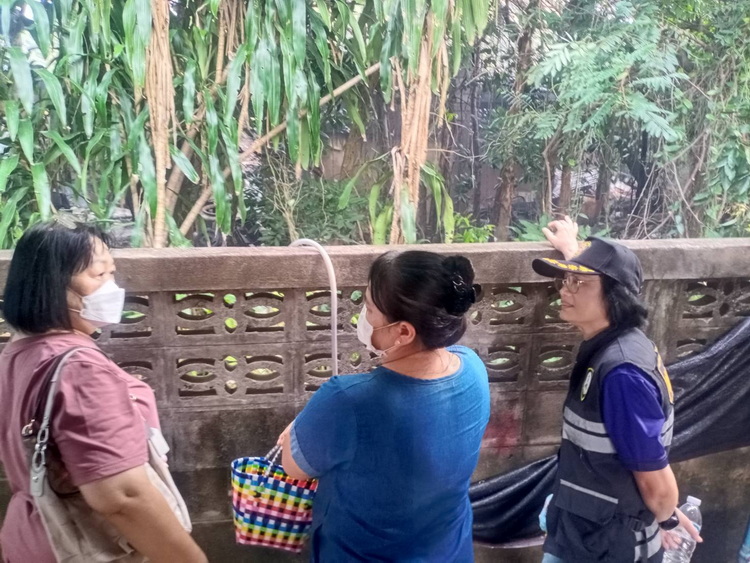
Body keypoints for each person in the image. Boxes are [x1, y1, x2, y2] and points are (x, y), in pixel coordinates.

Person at [0, 223, 206, 563]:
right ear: (51, 285)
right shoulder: (79, 368)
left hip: (30, 536)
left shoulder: (21, 350)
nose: (112, 287)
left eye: (112, 273)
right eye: (98, 275)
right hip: (86, 546)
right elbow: (122, 497)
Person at [277, 250, 491, 562]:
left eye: (369, 309)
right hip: (449, 551)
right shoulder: (473, 367)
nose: (362, 318)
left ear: (403, 331)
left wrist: (298, 429)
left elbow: (294, 467)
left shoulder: (347, 400)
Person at [533, 217, 702, 563]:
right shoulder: (614, 343)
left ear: (615, 296)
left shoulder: (623, 374)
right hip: (582, 531)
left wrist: (667, 517)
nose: (564, 290)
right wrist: (572, 250)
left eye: (577, 282)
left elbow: (654, 479)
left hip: (605, 546)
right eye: (565, 280)